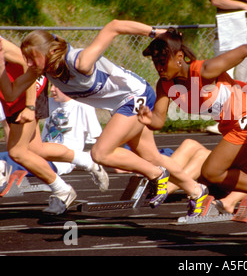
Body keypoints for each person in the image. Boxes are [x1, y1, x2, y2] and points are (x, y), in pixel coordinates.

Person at [0, 21, 207, 217]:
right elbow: (10, 94)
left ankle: (155, 174)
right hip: (120, 105)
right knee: (151, 155)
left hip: (135, 96)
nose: (27, 63)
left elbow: (114, 26)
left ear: (51, 52)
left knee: (100, 153)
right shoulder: (41, 69)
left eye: (32, 58)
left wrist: (154, 32)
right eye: (26, 58)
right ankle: (197, 191)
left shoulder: (80, 61)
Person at [139, 28, 247, 226]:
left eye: (162, 62)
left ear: (179, 57)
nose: (158, 67)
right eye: (155, 62)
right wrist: (146, 118)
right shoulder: (165, 85)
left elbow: (246, 49)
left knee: (211, 171)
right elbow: (159, 120)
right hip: (246, 120)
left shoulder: (205, 70)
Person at [0, 37, 108, 213]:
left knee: (17, 152)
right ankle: (87, 160)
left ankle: (62, 190)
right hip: (10, 92)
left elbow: (29, 66)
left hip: (25, 90)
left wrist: (29, 106)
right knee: (36, 149)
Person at [0, 83, 103, 177]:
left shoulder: (83, 106)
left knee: (8, 165)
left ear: (68, 87)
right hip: (40, 153)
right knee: (6, 157)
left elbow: (99, 137)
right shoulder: (49, 102)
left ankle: (82, 160)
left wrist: (108, 160)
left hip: (58, 162)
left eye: (56, 86)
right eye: (51, 85)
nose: (52, 89)